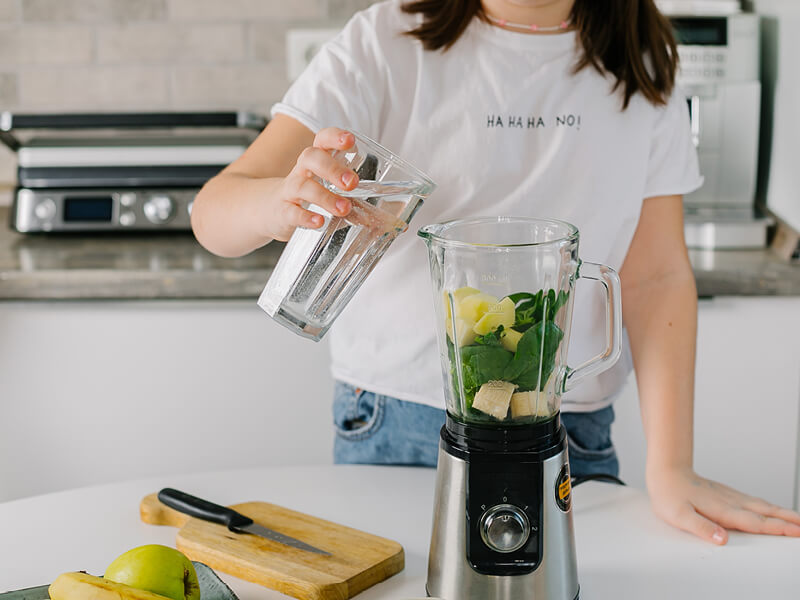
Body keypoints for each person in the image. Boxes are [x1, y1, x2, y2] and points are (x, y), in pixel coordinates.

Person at [191, 0, 800, 544]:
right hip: (398, 420)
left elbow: (657, 276)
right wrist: (278, 201)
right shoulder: (384, 41)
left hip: (569, 429)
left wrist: (672, 468)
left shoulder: (641, 62)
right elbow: (213, 212)